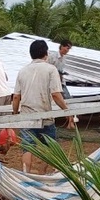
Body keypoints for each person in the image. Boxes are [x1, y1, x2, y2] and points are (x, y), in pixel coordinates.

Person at [12, 39, 69, 174]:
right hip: (46, 117)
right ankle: (43, 174)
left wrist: (15, 113)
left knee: (27, 148)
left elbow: (16, 96)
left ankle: (26, 174)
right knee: (50, 147)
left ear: (31, 54)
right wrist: (66, 110)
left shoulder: (22, 71)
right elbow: (56, 94)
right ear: (46, 53)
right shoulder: (51, 69)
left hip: (27, 117)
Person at [48, 38, 76, 129]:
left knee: (68, 100)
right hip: (52, 83)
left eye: (69, 49)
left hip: (61, 82)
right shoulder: (52, 56)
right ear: (62, 47)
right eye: (67, 48)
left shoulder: (64, 59)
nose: (67, 50)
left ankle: (70, 122)